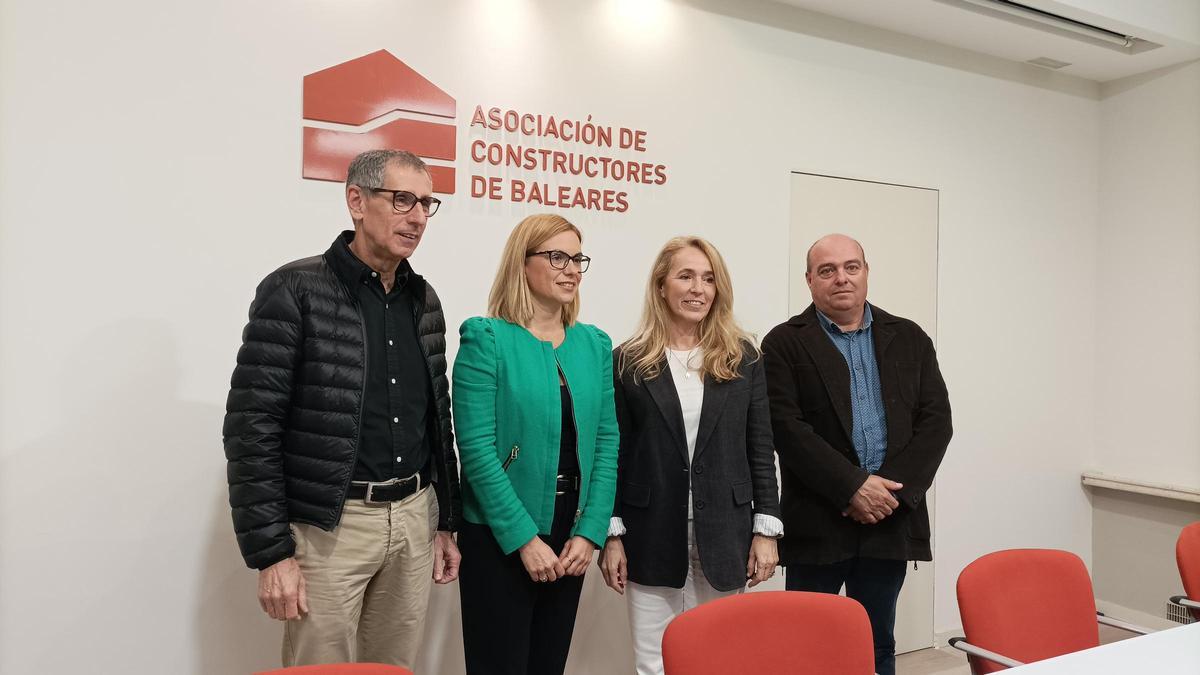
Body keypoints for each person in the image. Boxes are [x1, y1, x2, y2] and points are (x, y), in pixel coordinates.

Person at [223, 149, 462, 668]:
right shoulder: (294, 290)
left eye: (426, 203)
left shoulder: (424, 300)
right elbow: (252, 428)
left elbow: (437, 419)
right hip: (330, 528)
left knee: (394, 669)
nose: (418, 217)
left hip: (413, 519)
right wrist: (272, 554)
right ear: (356, 201)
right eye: (402, 200)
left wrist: (446, 519)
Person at [761, 233, 952, 675]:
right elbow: (786, 429)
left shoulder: (910, 337)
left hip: (889, 520)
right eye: (827, 270)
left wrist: (887, 494)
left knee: (877, 645)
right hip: (817, 522)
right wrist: (853, 487)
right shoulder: (783, 344)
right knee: (808, 650)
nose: (841, 278)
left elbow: (936, 422)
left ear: (866, 272)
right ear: (809, 280)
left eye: (851, 267)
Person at [600, 237, 782, 675]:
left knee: (720, 659)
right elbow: (614, 452)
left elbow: (761, 448)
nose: (699, 288)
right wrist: (611, 534)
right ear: (661, 286)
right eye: (686, 276)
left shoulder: (744, 358)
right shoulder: (627, 361)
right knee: (654, 661)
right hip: (650, 532)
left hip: (727, 531)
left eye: (708, 278)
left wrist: (767, 531)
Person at [452, 213, 618, 675]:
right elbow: (477, 452)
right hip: (501, 533)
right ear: (522, 264)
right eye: (557, 257)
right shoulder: (486, 338)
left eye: (577, 259)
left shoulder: (594, 344)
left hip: (571, 533)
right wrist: (524, 539)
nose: (572, 270)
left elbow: (606, 443)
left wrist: (591, 531)